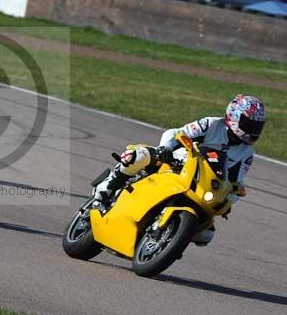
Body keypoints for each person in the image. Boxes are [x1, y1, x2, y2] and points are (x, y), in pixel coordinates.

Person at [93, 94, 266, 245]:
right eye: (249, 124)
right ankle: (107, 187)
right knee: (139, 156)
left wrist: (229, 200)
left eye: (257, 127)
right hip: (179, 159)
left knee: (206, 234)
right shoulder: (211, 124)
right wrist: (166, 149)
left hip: (202, 183)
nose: (253, 131)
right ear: (233, 116)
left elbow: (235, 182)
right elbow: (181, 133)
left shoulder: (247, 154)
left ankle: (171, 235)